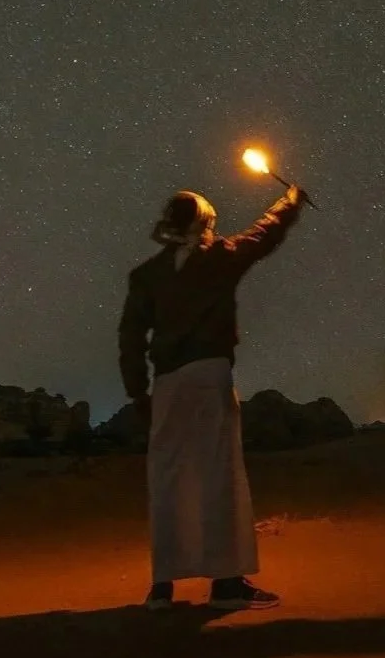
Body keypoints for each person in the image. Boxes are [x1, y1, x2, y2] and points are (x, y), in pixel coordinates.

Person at [118, 182, 304, 612]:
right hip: (207, 373)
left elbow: (130, 336)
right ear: (204, 224)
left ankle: (162, 589)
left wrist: (137, 391)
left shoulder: (145, 275)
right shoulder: (220, 258)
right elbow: (265, 233)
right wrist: (290, 201)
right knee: (217, 476)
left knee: (168, 479)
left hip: (165, 384)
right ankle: (226, 585)